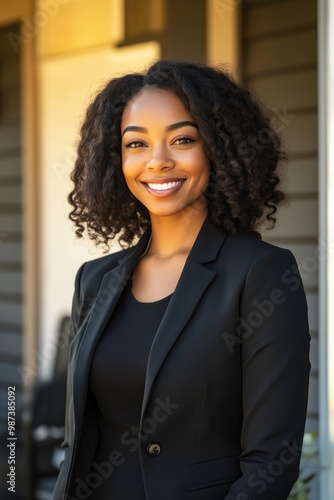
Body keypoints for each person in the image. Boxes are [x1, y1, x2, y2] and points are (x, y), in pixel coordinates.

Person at [53, 60, 310, 500]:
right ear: (117, 160)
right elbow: (76, 442)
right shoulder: (94, 280)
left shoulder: (260, 274)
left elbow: (271, 463)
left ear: (219, 148)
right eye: (137, 143)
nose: (158, 161)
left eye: (183, 139)